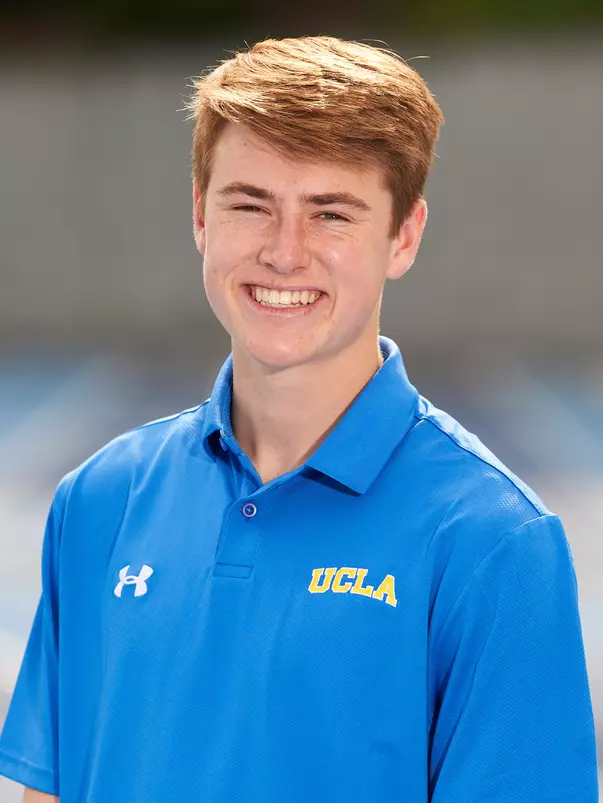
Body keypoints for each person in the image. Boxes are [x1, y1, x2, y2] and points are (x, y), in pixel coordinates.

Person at [0, 35, 598, 803]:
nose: (285, 252)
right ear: (200, 218)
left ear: (403, 236)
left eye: (330, 214)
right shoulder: (99, 501)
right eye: (250, 205)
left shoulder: (493, 542)